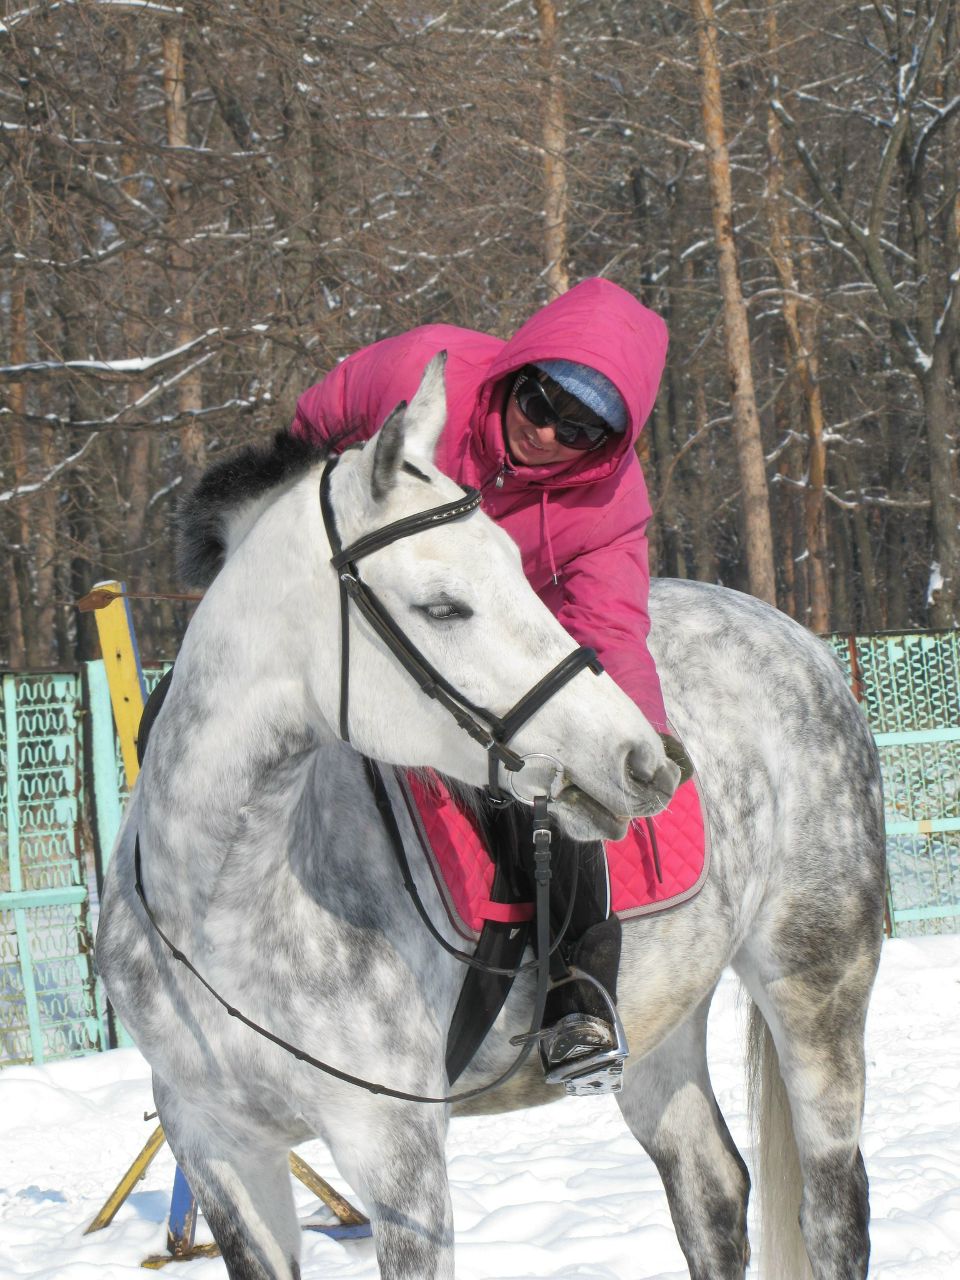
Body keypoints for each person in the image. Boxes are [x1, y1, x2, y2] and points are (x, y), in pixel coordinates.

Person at [290, 277, 671, 1086]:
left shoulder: (606, 500)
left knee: (555, 766)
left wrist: (637, 729)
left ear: (606, 443)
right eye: (541, 405)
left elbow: (608, 624)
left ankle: (577, 990)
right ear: (517, 374)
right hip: (366, 588)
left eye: (580, 430)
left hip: (498, 634)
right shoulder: (419, 372)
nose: (548, 436)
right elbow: (309, 427)